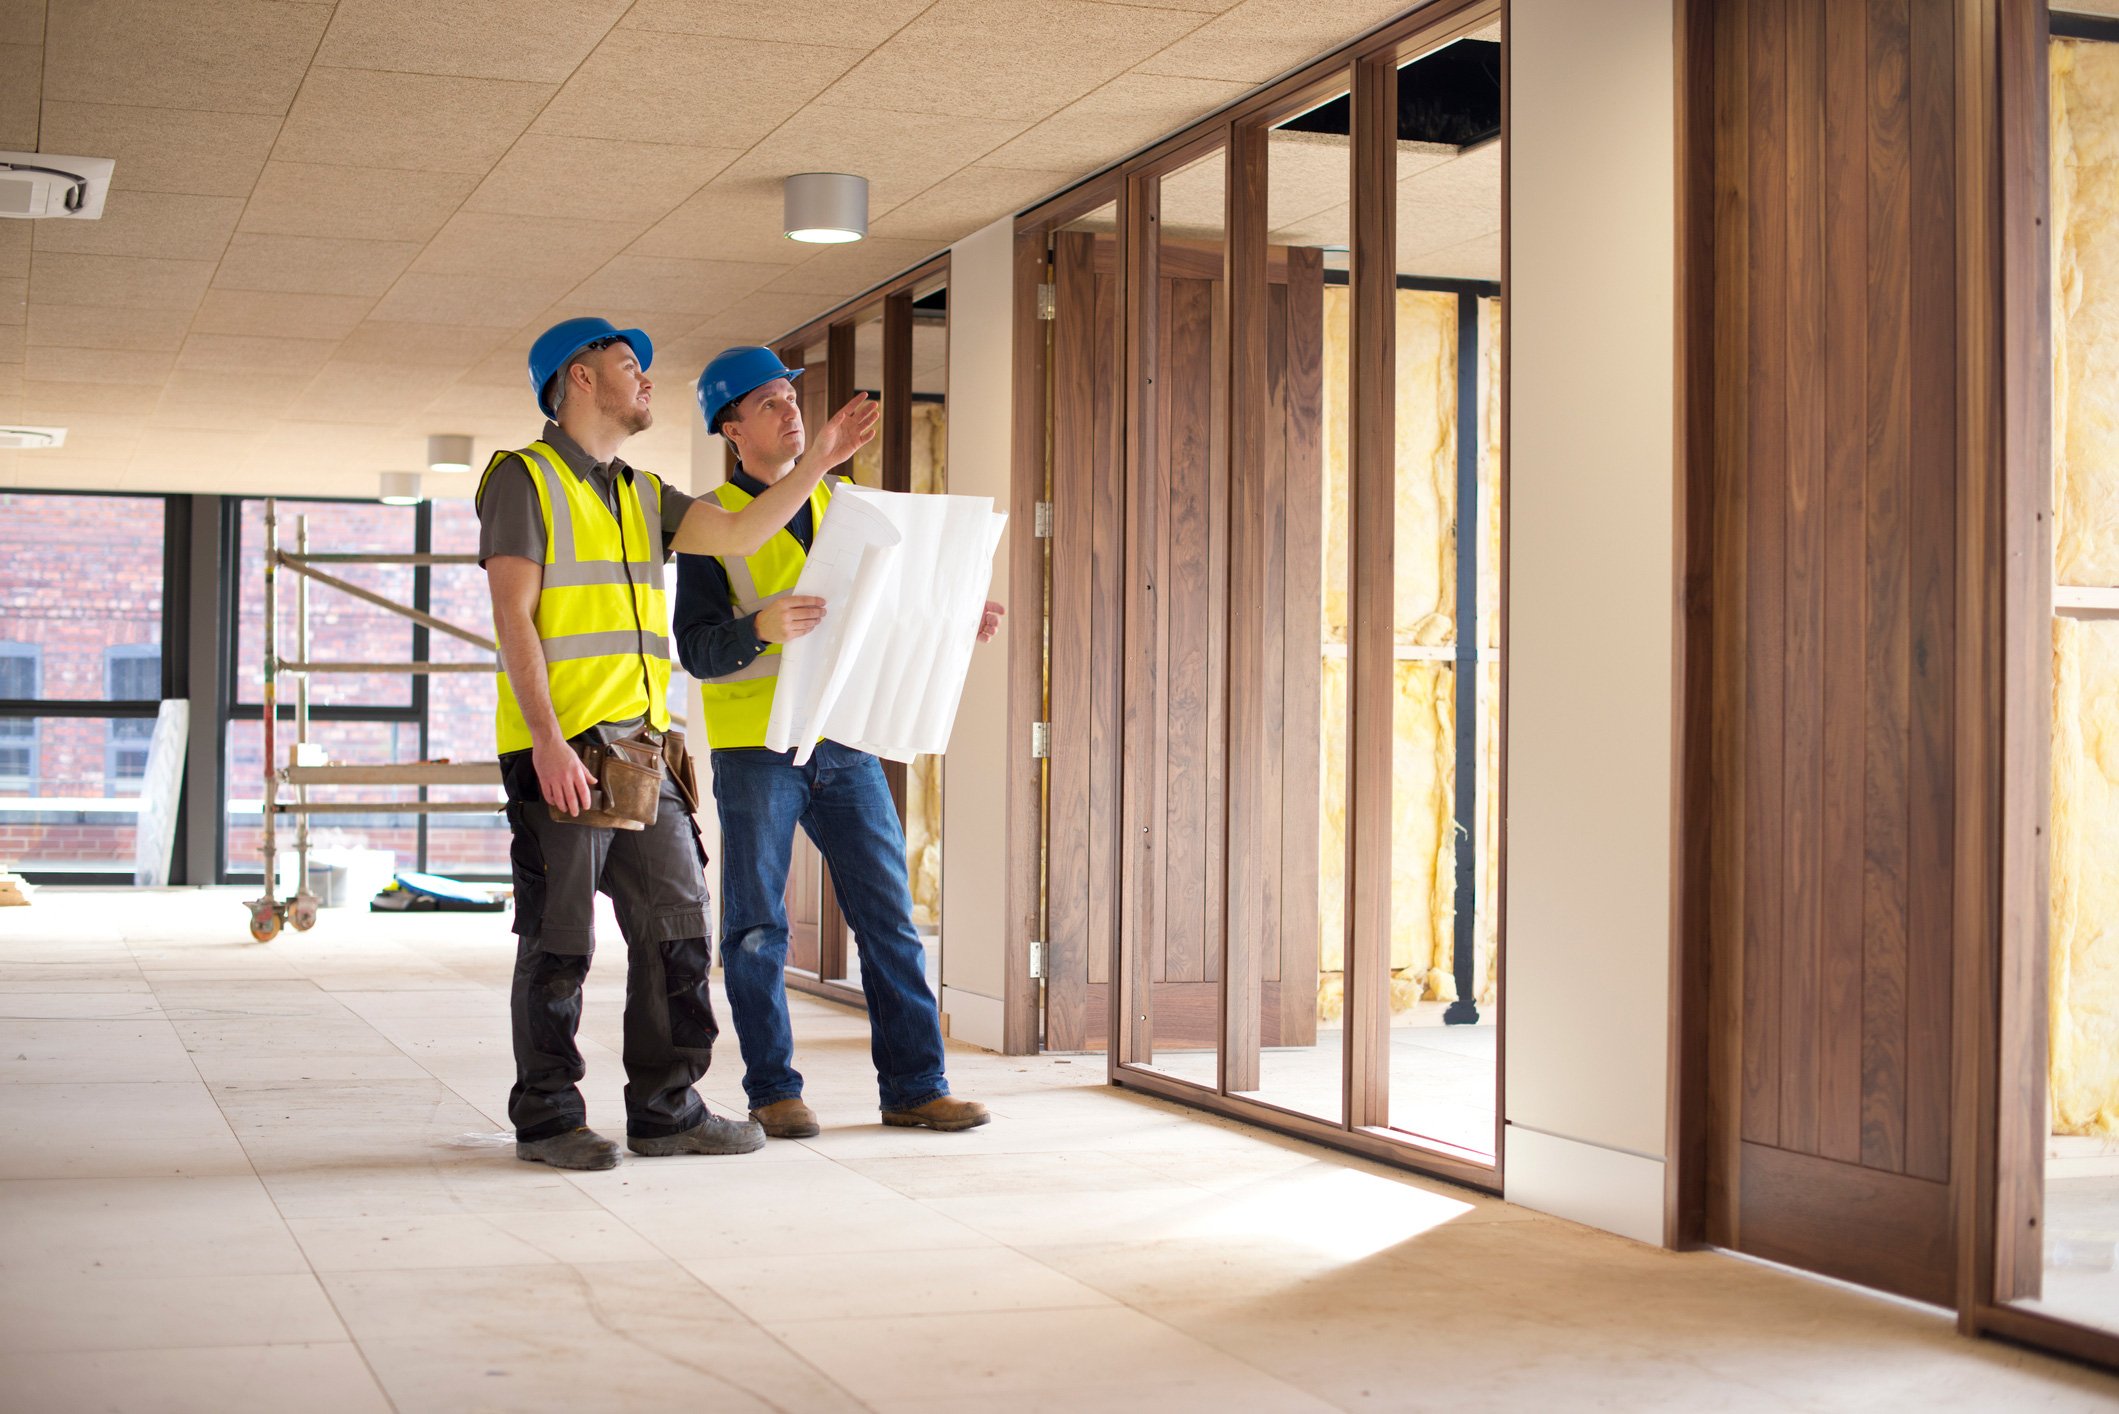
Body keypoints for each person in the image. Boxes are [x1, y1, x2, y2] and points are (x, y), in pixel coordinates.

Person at [480, 318, 877, 1171]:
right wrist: (546, 741)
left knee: (679, 930)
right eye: (629, 366)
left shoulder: (639, 491)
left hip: (643, 751)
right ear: (578, 380)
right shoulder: (525, 479)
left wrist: (818, 462)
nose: (647, 381)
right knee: (560, 944)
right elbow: (513, 616)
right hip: (566, 748)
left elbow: (737, 534)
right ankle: (549, 1118)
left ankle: (668, 1110)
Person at [673, 346, 1003, 1139]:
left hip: (845, 740)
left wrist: (956, 620)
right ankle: (772, 1091)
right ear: (731, 427)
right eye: (769, 403)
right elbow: (697, 649)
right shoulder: (710, 520)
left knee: (887, 917)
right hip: (757, 749)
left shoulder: (849, 508)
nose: (792, 411)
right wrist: (757, 627)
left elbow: (885, 613)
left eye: (792, 397)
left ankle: (916, 1087)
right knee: (756, 929)